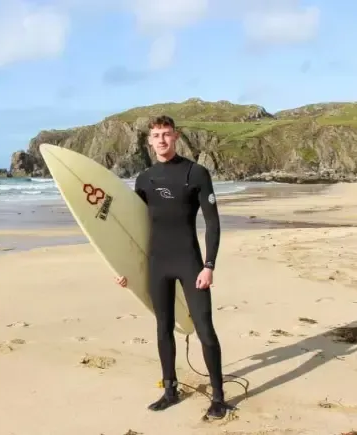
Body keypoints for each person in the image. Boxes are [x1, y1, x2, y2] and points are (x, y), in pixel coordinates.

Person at [115, 115, 232, 419]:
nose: (162, 140)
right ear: (149, 141)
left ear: (176, 136)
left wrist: (209, 266)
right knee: (163, 328)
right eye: (156, 135)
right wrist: (122, 266)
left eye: (166, 134)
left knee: (205, 328)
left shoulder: (196, 173)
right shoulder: (144, 179)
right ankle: (170, 390)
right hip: (157, 263)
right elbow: (130, 229)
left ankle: (218, 396)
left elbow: (213, 222)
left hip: (190, 262)